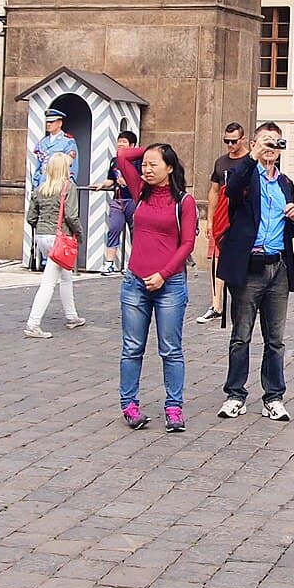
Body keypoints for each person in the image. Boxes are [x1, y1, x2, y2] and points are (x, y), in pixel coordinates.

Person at [216, 121, 294, 422]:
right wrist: (253, 155)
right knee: (241, 336)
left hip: (277, 266)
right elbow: (232, 189)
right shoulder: (245, 176)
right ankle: (235, 394)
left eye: (277, 143)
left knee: (275, 339)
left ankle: (274, 396)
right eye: (267, 142)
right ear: (254, 143)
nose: (272, 149)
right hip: (249, 267)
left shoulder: (285, 183)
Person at [116, 141, 198, 431]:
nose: (147, 169)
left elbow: (187, 243)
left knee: (171, 350)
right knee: (132, 348)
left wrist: (163, 274)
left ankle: (174, 408)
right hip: (135, 281)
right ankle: (129, 404)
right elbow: (123, 155)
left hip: (169, 284)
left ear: (170, 168)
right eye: (145, 165)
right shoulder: (140, 192)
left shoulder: (183, 202)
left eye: (154, 165)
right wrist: (150, 150)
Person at [23, 153, 86, 339]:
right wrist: (79, 235)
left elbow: (31, 218)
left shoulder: (41, 189)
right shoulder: (68, 187)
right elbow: (71, 216)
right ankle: (33, 323)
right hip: (59, 239)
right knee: (48, 283)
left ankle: (72, 316)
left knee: (65, 276)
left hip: (42, 237)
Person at [198, 123, 247, 323]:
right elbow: (214, 191)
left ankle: (245, 301)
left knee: (244, 260)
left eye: (233, 141)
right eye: (226, 141)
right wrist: (209, 220)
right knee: (217, 259)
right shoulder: (221, 162)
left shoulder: (250, 161)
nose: (230, 145)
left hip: (243, 218)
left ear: (242, 139)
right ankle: (216, 304)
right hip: (222, 217)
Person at [89, 130, 136, 276]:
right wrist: (102, 185)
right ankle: (109, 263)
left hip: (132, 200)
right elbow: (111, 179)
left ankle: (133, 263)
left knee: (135, 232)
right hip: (117, 199)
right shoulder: (114, 161)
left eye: (124, 142)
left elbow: (142, 179)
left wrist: (128, 182)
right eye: (119, 141)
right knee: (114, 228)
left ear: (132, 145)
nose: (121, 144)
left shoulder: (138, 160)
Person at [31, 108, 77, 191]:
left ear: (60, 123)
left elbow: (72, 166)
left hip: (58, 184)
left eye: (52, 122)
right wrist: (35, 184)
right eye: (47, 122)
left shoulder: (68, 141)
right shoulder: (42, 142)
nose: (48, 124)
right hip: (42, 183)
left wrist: (69, 185)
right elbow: (38, 166)